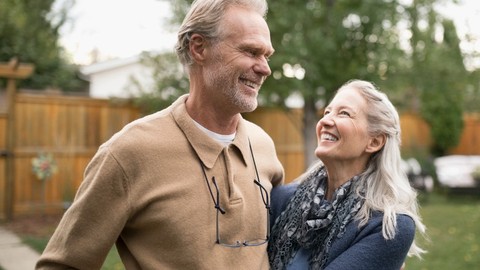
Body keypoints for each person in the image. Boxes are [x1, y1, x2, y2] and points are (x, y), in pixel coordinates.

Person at [36, 0, 284, 269]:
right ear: (199, 47)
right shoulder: (128, 153)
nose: (265, 68)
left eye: (266, 56)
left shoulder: (263, 145)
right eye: (250, 51)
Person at [267, 79, 426, 270]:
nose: (325, 120)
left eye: (344, 113)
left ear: (374, 142)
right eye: (327, 112)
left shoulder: (389, 227)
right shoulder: (281, 199)